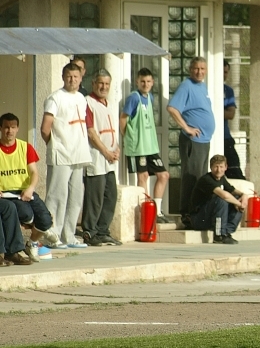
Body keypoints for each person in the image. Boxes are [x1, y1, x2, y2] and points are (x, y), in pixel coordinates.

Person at [41, 62, 92, 248]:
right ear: (63, 77)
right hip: (61, 154)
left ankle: (69, 236)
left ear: (81, 78)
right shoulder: (55, 98)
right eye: (69, 76)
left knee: (76, 197)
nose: (72, 80)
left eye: (76, 77)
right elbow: (45, 128)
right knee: (57, 196)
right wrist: (56, 146)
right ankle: (51, 237)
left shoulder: (81, 98)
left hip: (79, 154)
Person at [0, 112, 59, 260]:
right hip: (7, 194)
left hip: (26, 191)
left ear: (18, 128)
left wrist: (31, 188)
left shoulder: (25, 147)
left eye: (13, 127)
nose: (10, 131)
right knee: (26, 215)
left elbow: (34, 172)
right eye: (6, 127)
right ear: (1, 128)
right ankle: (36, 235)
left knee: (46, 220)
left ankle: (32, 242)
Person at [167, 56, 215, 227]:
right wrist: (187, 128)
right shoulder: (186, 86)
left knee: (201, 178)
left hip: (204, 140)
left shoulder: (202, 86)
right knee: (191, 177)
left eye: (202, 69)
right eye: (196, 68)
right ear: (190, 69)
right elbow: (172, 108)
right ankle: (187, 213)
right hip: (193, 140)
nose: (199, 72)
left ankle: (198, 212)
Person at [121, 68, 170, 224]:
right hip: (138, 147)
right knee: (143, 177)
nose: (146, 84)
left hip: (150, 146)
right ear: (137, 81)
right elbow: (123, 119)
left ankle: (156, 210)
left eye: (149, 81)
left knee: (163, 175)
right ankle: (146, 214)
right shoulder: (133, 98)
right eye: (143, 81)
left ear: (153, 82)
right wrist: (127, 138)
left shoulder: (150, 97)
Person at [83, 69, 122, 246]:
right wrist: (106, 152)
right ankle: (90, 232)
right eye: (100, 83)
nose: (103, 87)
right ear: (93, 83)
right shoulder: (88, 103)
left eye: (107, 84)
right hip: (97, 156)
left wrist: (116, 149)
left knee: (110, 195)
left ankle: (103, 230)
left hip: (111, 159)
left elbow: (113, 130)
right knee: (95, 197)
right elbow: (91, 132)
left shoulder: (109, 104)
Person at [189, 154, 248, 245]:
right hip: (198, 219)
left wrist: (244, 196)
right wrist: (240, 204)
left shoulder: (222, 178)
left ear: (226, 167)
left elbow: (233, 191)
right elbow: (224, 195)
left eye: (221, 167)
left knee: (236, 198)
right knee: (221, 200)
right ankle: (219, 235)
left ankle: (226, 232)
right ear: (211, 167)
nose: (218, 170)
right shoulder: (206, 179)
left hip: (210, 217)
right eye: (216, 167)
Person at [222, 60, 245, 180]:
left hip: (225, 136)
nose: (224, 75)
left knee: (234, 167)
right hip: (205, 136)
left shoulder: (228, 91)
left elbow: (231, 114)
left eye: (226, 72)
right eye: (221, 72)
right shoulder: (206, 88)